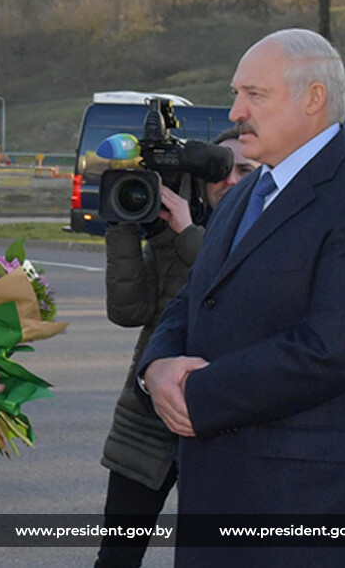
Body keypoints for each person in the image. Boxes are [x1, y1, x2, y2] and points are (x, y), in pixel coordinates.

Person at [138, 29, 345, 567]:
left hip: (314, 510)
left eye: (255, 94)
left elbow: (332, 351)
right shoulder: (244, 193)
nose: (236, 111)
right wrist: (155, 369)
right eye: (236, 93)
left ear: (313, 98)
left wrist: (195, 394)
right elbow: (194, 298)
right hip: (219, 500)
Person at [95, 128, 259, 568]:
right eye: (219, 170)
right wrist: (123, 226)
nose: (229, 180)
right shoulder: (175, 234)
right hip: (145, 423)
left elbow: (240, 290)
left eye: (244, 170)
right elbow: (128, 311)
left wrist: (186, 233)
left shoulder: (269, 241)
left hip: (220, 427)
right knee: (116, 558)